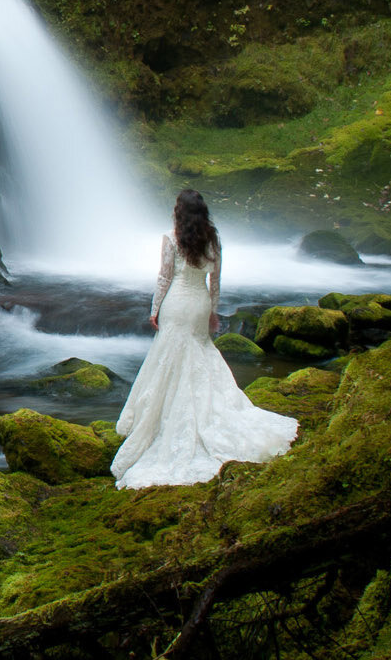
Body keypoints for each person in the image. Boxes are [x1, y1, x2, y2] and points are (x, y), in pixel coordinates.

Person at [110, 190, 297, 490]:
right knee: (199, 354)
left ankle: (159, 419)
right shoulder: (213, 240)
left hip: (176, 304)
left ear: (179, 213)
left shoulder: (171, 239)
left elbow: (164, 278)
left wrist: (154, 309)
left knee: (168, 358)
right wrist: (212, 312)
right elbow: (216, 282)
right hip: (197, 303)